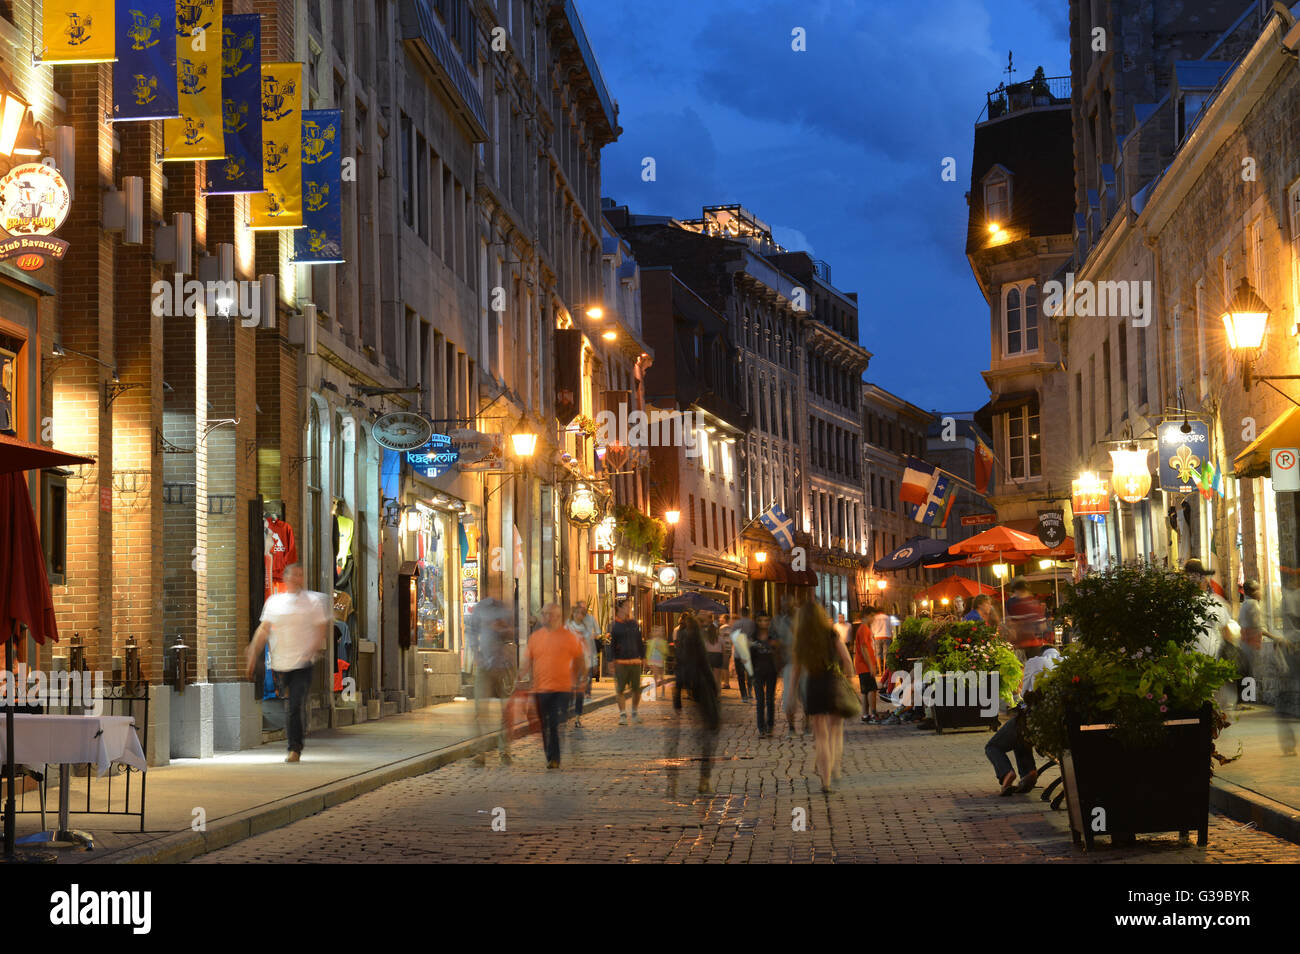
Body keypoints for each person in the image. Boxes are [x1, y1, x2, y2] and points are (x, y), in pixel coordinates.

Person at [246, 563, 331, 763]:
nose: (296, 578)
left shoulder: (313, 601)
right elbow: (264, 630)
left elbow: (320, 630)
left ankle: (294, 748)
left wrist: (311, 650)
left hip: (303, 662)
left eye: (300, 575)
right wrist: (252, 653)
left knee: (294, 703)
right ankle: (297, 735)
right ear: (285, 577)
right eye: (293, 575)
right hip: (280, 663)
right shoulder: (274, 602)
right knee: (290, 704)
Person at [794, 601, 855, 793]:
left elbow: (795, 671)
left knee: (820, 736)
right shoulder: (831, 634)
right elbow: (846, 660)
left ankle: (825, 781)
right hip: (832, 682)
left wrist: (790, 696)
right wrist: (849, 680)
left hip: (813, 685)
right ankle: (835, 767)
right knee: (836, 729)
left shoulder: (801, 639)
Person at [984, 645, 1060, 795]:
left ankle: (1006, 774)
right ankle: (1027, 773)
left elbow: (1024, 695)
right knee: (1020, 737)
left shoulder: (1036, 663)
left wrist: (1019, 705)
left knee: (993, 746)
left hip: (1034, 721)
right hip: (1057, 728)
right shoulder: (1066, 665)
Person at [521, 603, 585, 769]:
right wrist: (519, 677)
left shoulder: (568, 637)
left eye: (550, 614)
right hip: (540, 688)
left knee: (554, 722)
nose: (546, 617)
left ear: (558, 617)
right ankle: (550, 754)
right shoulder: (535, 637)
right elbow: (528, 659)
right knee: (544, 724)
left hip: (562, 688)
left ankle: (554, 757)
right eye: (544, 614)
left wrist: (579, 678)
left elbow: (579, 658)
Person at [665, 612, 721, 794]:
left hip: (687, 688)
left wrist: (677, 699)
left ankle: (674, 783)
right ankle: (704, 780)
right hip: (701, 689)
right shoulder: (695, 639)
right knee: (709, 734)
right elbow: (704, 664)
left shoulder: (680, 640)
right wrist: (714, 687)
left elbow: (678, 666)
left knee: (693, 735)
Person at [466, 587, 516, 765]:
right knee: (480, 710)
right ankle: (480, 753)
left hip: (504, 665)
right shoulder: (480, 608)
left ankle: (505, 751)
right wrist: (475, 654)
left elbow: (513, 634)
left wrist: (503, 629)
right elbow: (471, 632)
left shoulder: (506, 609)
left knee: (506, 712)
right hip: (485, 664)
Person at [609, 599, 645, 724]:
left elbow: (639, 641)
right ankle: (623, 715)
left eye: (629, 606)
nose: (629, 608)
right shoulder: (615, 625)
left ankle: (634, 712)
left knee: (636, 689)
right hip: (621, 662)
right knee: (620, 690)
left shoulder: (634, 623)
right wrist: (611, 661)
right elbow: (612, 645)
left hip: (635, 661)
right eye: (626, 606)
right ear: (620, 608)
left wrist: (643, 656)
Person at [750, 612, 783, 736]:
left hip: (771, 671)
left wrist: (777, 647)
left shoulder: (773, 637)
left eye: (766, 620)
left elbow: (779, 652)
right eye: (761, 620)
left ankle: (770, 726)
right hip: (757, 672)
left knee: (770, 700)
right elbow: (748, 655)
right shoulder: (753, 637)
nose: (764, 623)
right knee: (760, 700)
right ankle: (761, 728)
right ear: (757, 621)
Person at [565, 602, 598, 727]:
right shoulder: (567, 628)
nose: (578, 615)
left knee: (579, 692)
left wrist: (593, 662)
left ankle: (577, 718)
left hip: (583, 663)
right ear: (573, 614)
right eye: (576, 613)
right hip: (569, 663)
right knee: (568, 691)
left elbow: (591, 647)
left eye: (581, 613)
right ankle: (566, 715)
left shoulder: (586, 631)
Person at [773, 598, 802, 733]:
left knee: (805, 694)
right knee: (789, 696)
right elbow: (775, 639)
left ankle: (807, 721)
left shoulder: (802, 619)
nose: (785, 608)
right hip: (788, 662)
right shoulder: (779, 621)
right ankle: (791, 726)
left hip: (803, 661)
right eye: (783, 606)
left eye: (788, 605)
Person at [854, 607, 883, 724]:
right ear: (866, 616)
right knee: (872, 689)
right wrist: (871, 665)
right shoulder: (864, 629)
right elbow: (864, 647)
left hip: (862, 665)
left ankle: (865, 714)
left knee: (865, 690)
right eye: (872, 616)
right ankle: (873, 714)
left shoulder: (863, 628)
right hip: (865, 665)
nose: (873, 619)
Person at [731, 607, 755, 701]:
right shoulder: (752, 624)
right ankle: (749, 691)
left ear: (741, 613)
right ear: (748, 613)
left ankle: (744, 695)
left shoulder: (736, 624)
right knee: (749, 673)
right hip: (749, 651)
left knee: (740, 675)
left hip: (738, 652)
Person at [702, 611, 726, 690]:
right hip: (717, 656)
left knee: (709, 676)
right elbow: (724, 649)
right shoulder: (720, 638)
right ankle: (718, 693)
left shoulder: (706, 638)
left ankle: (710, 691)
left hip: (709, 656)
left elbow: (704, 648)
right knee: (717, 678)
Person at [645, 625, 669, 699]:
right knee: (655, 676)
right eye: (655, 631)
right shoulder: (650, 641)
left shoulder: (663, 642)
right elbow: (648, 652)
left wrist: (660, 648)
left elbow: (666, 652)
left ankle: (663, 693)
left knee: (661, 677)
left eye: (658, 631)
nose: (657, 632)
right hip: (653, 660)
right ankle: (655, 694)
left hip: (660, 660)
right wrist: (647, 660)